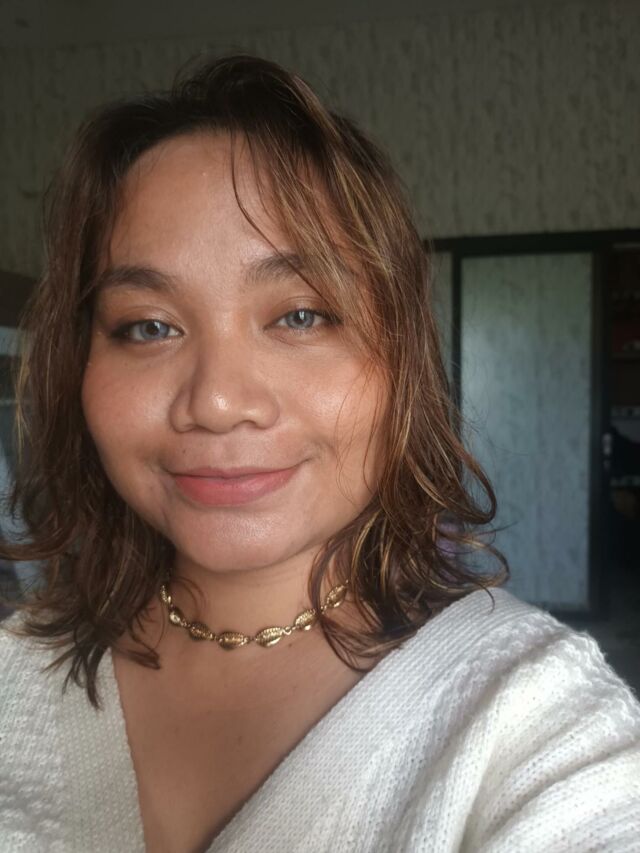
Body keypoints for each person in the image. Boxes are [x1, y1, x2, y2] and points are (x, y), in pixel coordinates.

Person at [0, 54, 639, 853]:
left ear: (400, 361)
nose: (218, 401)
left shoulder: (530, 717)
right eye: (149, 325)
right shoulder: (18, 668)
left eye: (301, 315)